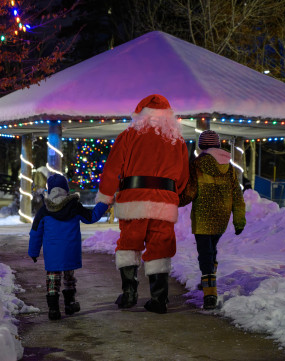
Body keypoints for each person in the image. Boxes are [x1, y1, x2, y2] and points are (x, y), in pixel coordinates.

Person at [96, 94, 190, 314]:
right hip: (163, 201)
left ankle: (129, 294)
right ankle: (159, 299)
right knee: (160, 246)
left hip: (133, 199)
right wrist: (173, 193)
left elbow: (112, 169)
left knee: (129, 243)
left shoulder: (128, 135)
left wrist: (105, 197)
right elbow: (183, 176)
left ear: (140, 115)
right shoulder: (177, 140)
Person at [179, 130, 246, 310]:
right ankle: (208, 281)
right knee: (212, 249)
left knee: (205, 253)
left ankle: (210, 292)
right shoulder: (228, 166)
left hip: (203, 214)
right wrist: (239, 219)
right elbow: (237, 194)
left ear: (202, 146)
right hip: (222, 214)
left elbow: (190, 191)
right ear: (217, 145)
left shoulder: (197, 164)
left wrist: (175, 201)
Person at [28, 174, 108, 320]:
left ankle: (53, 309)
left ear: (50, 189)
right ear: (65, 188)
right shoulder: (74, 206)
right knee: (69, 277)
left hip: (52, 253)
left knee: (53, 279)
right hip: (70, 250)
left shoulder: (44, 210)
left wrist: (33, 252)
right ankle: (70, 303)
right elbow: (91, 217)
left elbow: (35, 232)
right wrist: (104, 203)